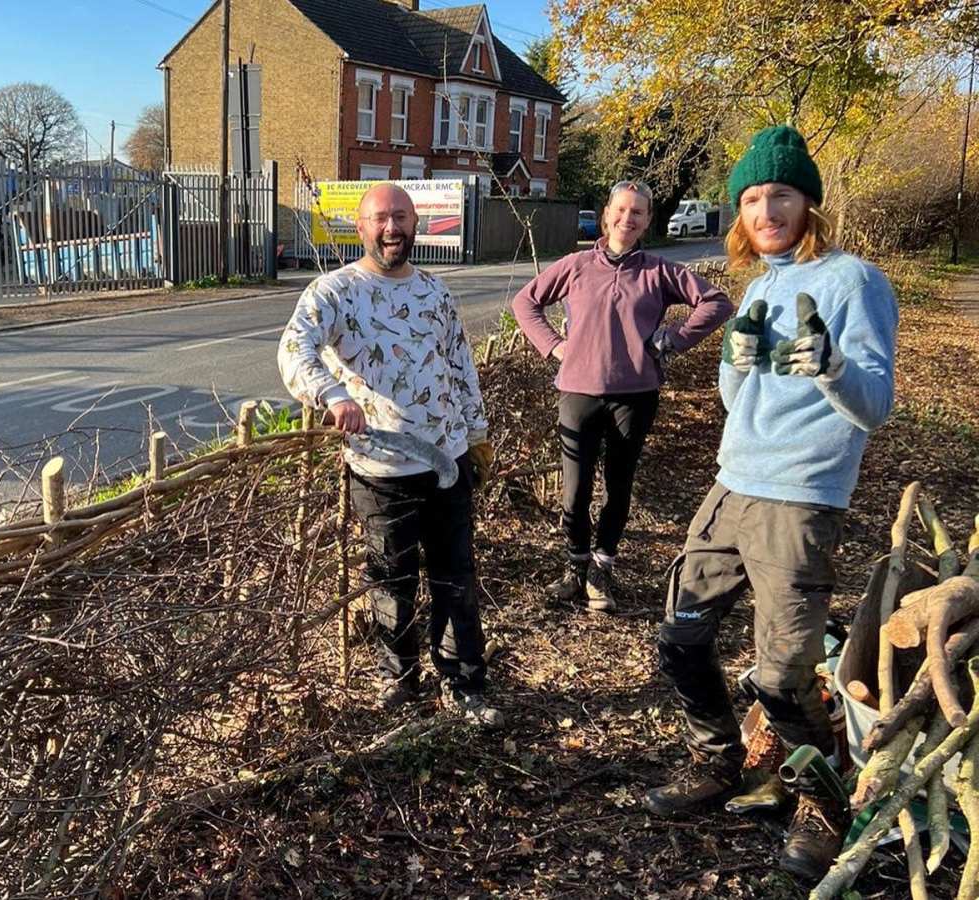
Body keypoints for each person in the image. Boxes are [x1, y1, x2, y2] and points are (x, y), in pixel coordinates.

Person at [643, 126, 898, 881]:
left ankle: (822, 803)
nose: (764, 209)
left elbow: (874, 404)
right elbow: (738, 400)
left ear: (808, 202)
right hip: (732, 485)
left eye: (779, 193)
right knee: (681, 637)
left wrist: (830, 367)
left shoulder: (855, 281)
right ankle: (717, 760)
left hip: (800, 497)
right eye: (750, 198)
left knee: (784, 675)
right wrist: (734, 363)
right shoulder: (761, 286)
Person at [277, 183, 502, 729]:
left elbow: (460, 365)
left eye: (400, 216)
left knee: (455, 577)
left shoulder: (436, 292)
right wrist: (332, 395)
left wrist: (476, 434)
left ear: (416, 222)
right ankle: (398, 678)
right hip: (382, 470)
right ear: (360, 227)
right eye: (380, 218)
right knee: (391, 579)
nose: (391, 227)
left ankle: (463, 681)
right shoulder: (336, 292)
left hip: (447, 463)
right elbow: (293, 347)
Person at [511, 180, 733, 612]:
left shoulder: (658, 270)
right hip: (578, 391)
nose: (626, 219)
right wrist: (555, 346)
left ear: (648, 220)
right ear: (607, 212)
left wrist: (672, 339)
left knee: (618, 484)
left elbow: (716, 303)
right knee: (575, 490)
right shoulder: (576, 265)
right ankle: (574, 566)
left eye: (637, 213)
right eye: (621, 210)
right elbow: (526, 302)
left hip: (635, 394)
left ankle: (601, 568)